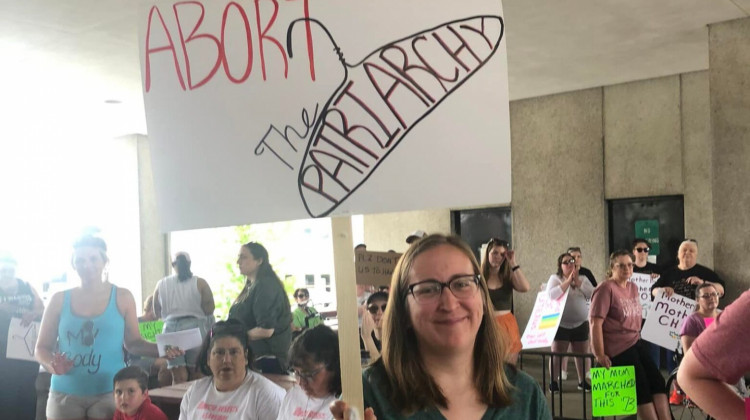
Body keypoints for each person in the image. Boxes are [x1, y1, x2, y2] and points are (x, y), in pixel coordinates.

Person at [332, 234, 550, 420]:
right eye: (427, 289)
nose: (449, 303)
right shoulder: (366, 396)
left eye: (462, 284)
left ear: (483, 300)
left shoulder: (526, 396)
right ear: (403, 311)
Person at [36, 235, 178, 420]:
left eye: (93, 258)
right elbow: (41, 348)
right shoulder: (58, 300)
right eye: (80, 260)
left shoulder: (123, 297)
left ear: (105, 261)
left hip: (111, 393)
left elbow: (133, 343)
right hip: (65, 393)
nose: (87, 265)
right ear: (73, 264)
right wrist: (52, 365)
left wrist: (161, 350)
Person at [589, 250, 670, 420]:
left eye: (629, 265)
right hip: (617, 348)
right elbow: (595, 323)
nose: (627, 268)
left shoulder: (633, 287)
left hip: (635, 342)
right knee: (641, 387)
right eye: (621, 265)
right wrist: (599, 354)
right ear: (612, 268)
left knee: (658, 381)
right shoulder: (605, 289)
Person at [180, 319, 284, 420]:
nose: (226, 360)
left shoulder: (266, 395)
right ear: (208, 358)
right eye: (219, 352)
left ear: (246, 356)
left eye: (234, 352)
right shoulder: (195, 392)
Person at [677, 289, 750, 420]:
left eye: (714, 294)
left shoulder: (722, 313)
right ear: (697, 300)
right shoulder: (692, 320)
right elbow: (689, 366)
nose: (711, 298)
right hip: (714, 366)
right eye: (706, 296)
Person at [228, 242, 292, 373]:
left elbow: (265, 330)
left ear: (259, 260)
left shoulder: (266, 285)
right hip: (253, 356)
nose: (238, 261)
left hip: (267, 359)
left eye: (243, 257)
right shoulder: (252, 285)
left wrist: (234, 337)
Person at [153, 251, 215, 384]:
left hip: (169, 330)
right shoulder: (200, 283)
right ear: (189, 264)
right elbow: (209, 308)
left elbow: (156, 310)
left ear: (172, 265)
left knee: (177, 374)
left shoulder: (161, 284)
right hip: (194, 328)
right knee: (197, 371)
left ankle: (180, 404)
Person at [0, 254, 44, 419]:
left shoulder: (26, 286)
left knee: (26, 393)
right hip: (2, 353)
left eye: (10, 270)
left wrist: (33, 313)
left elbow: (42, 311)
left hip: (24, 350)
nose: (6, 273)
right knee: (5, 396)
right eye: (3, 270)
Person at [545, 253, 594, 393]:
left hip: (580, 323)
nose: (569, 264)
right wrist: (568, 282)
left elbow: (593, 294)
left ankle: (582, 381)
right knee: (557, 353)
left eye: (572, 261)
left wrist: (578, 283)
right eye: (566, 262)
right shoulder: (555, 278)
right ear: (560, 266)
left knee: (582, 354)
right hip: (561, 324)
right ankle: (553, 382)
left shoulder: (583, 278)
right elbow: (551, 295)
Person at [480, 238, 530, 364]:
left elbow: (525, 287)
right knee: (489, 366)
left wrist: (513, 263)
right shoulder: (480, 276)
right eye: (495, 253)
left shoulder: (508, 276)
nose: (498, 257)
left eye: (502, 254)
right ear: (488, 254)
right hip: (487, 324)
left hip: (507, 325)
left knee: (509, 368)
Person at [278, 325, 341, 420]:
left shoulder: (343, 403)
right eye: (296, 373)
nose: (300, 382)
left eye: (308, 374)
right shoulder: (293, 395)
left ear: (333, 366)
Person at [651, 239, 725, 301]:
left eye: (691, 251)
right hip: (672, 314)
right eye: (684, 250)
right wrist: (662, 290)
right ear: (678, 254)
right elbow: (653, 290)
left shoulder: (706, 272)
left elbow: (721, 291)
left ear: (696, 255)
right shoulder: (668, 273)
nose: (687, 253)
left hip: (699, 316)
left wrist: (703, 282)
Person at [631, 238, 663, 369]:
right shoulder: (629, 269)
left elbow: (663, 290)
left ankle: (653, 373)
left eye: (646, 250)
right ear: (634, 252)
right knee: (632, 346)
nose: (643, 252)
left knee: (652, 348)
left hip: (650, 314)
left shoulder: (657, 269)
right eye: (639, 249)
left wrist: (658, 279)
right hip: (632, 314)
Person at [127, 295, 170, 388]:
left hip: (155, 356)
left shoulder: (161, 325)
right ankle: (162, 394)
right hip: (137, 359)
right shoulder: (135, 322)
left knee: (172, 363)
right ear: (151, 308)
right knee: (166, 363)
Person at [361, 291, 387, 361]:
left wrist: (367, 338)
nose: (379, 312)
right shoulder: (359, 340)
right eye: (373, 308)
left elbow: (382, 370)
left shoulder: (399, 339)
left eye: (385, 308)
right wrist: (366, 337)